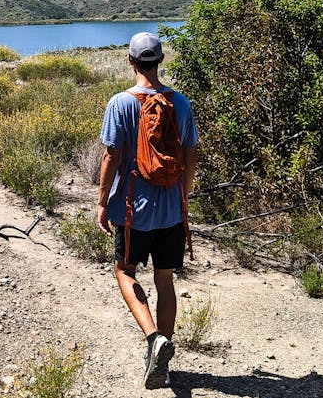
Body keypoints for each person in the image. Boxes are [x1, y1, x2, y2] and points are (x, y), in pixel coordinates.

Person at [97, 31, 198, 389]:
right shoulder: (181, 103)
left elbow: (111, 156)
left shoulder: (120, 103)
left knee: (124, 271)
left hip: (131, 209)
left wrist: (101, 201)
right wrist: (182, 196)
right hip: (172, 210)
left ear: (131, 61)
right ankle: (163, 364)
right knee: (165, 280)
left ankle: (154, 338)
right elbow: (190, 155)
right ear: (160, 61)